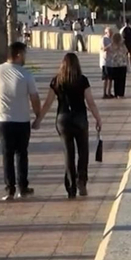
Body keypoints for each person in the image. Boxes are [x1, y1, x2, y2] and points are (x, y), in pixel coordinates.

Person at [37, 53, 102, 199]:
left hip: (63, 119)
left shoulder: (57, 81)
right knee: (83, 151)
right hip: (80, 118)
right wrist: (98, 118)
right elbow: (90, 102)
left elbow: (48, 103)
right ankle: (82, 181)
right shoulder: (82, 80)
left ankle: (71, 187)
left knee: (69, 153)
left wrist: (39, 119)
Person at [0, 42, 43, 201]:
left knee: (7, 154)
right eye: (24, 54)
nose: (25, 57)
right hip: (22, 120)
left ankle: (9, 189)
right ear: (18, 55)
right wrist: (38, 116)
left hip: (3, 120)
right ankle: (22, 187)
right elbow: (34, 98)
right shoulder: (26, 75)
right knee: (21, 154)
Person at [105, 33, 130, 98]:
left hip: (115, 65)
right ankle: (121, 93)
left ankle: (116, 94)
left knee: (116, 80)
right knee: (122, 80)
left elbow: (105, 49)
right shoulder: (123, 46)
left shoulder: (111, 45)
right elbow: (126, 52)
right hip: (122, 64)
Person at [98, 32, 111, 99]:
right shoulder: (104, 39)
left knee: (110, 78)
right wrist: (110, 45)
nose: (111, 33)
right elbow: (104, 48)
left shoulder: (111, 39)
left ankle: (109, 92)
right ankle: (104, 93)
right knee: (105, 78)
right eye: (109, 32)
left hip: (111, 62)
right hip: (105, 61)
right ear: (106, 32)